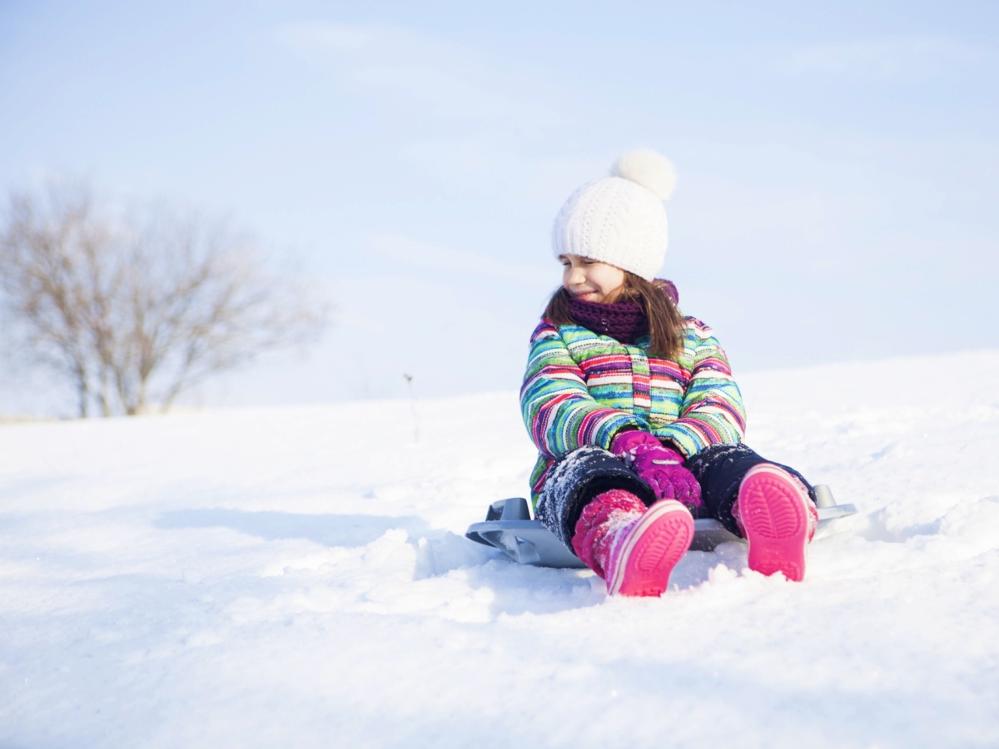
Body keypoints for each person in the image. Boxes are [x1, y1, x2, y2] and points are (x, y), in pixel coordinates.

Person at [520, 149, 819, 597]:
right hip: (599, 457)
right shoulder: (557, 334)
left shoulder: (692, 335)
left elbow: (720, 405)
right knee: (589, 473)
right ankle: (619, 538)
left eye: (587, 261)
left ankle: (771, 517)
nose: (573, 278)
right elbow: (551, 403)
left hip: (684, 468)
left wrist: (677, 446)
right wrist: (626, 439)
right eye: (566, 263)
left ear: (631, 262)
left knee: (729, 459)